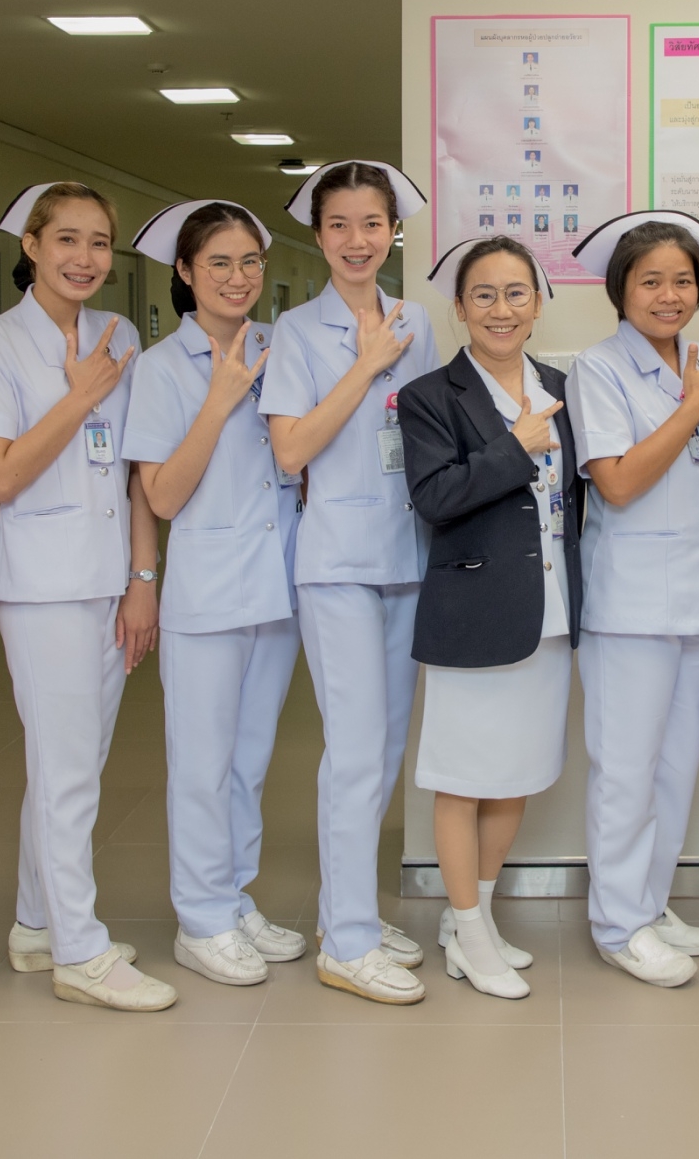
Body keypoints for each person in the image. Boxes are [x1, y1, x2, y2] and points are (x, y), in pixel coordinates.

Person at [0, 181, 171, 1011]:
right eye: (67, 240)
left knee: (69, 763)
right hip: (44, 585)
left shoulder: (120, 336)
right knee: (67, 772)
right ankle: (80, 950)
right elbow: (1, 475)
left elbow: (134, 473)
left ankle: (35, 923)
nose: (84, 258)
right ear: (31, 246)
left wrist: (143, 579)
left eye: (98, 242)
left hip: (109, 577)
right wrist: (80, 394)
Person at [258, 160, 438, 1005]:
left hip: (407, 553)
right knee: (355, 749)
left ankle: (349, 909)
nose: (357, 240)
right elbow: (291, 448)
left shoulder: (418, 321)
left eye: (372, 223)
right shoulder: (295, 331)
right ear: (318, 235)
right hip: (335, 561)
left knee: (387, 747)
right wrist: (365, 365)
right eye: (339, 225)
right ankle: (348, 941)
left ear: (393, 231)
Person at [121, 199, 308, 987]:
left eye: (250, 262)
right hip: (206, 588)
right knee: (201, 762)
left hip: (279, 582)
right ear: (185, 272)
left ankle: (233, 895)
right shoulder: (161, 368)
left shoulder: (281, 347)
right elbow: (160, 494)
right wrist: (220, 398)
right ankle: (200, 918)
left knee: (250, 758)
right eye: (219, 263)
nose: (238, 277)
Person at [398, 237, 582, 1000]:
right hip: (474, 610)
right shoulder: (429, 396)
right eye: (484, 294)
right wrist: (515, 445)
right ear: (459, 306)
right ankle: (472, 934)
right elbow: (434, 497)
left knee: (517, 775)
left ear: (538, 303)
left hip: (552, 609)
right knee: (464, 779)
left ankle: (468, 917)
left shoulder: (562, 386)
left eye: (516, 293)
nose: (501, 309)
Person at [564, 211, 699, 988]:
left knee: (676, 765)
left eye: (683, 280)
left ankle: (649, 901)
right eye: (651, 281)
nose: (669, 295)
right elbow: (620, 481)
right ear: (620, 290)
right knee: (626, 771)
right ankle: (617, 923)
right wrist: (693, 405)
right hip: (630, 603)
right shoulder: (598, 370)